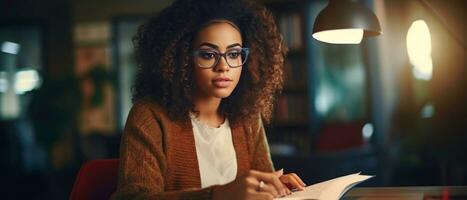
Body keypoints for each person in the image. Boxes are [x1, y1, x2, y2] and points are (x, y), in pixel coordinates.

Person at [111, 0, 306, 199]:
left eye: (234, 53)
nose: (223, 66)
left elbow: (262, 183)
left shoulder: (247, 117)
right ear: (182, 59)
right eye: (208, 54)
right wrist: (217, 195)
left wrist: (275, 187)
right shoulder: (150, 117)